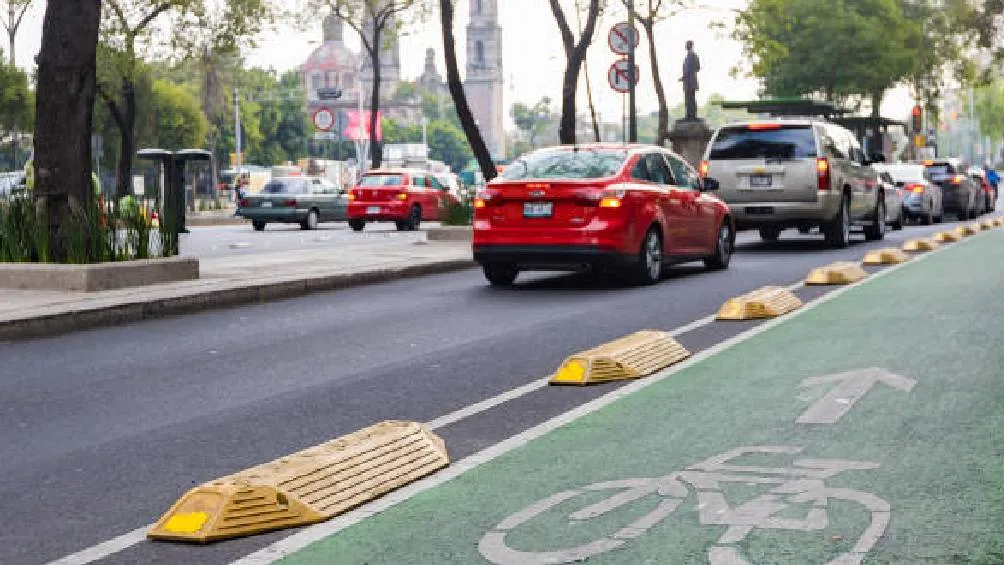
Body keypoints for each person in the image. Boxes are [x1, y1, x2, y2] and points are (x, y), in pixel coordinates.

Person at [680, 40, 701, 121]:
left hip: (689, 81)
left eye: (687, 45)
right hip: (690, 81)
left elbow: (688, 70)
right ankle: (690, 115)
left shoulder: (691, 56)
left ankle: (691, 116)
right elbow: (698, 68)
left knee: (690, 99)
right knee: (690, 99)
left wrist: (684, 77)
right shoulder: (692, 56)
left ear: (690, 46)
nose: (686, 46)